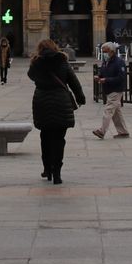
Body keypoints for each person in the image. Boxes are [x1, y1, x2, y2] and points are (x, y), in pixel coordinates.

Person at [28, 38, 86, 184]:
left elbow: (31, 76)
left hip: (42, 102)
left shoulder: (36, 63)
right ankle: (57, 173)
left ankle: (47, 169)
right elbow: (73, 81)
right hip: (61, 102)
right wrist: (80, 97)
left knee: (45, 137)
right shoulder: (62, 61)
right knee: (59, 139)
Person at [92, 41, 129, 139]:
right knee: (116, 113)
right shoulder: (106, 61)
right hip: (108, 89)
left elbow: (121, 77)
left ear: (112, 51)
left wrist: (106, 80)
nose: (104, 53)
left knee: (108, 110)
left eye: (105, 51)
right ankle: (123, 132)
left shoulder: (119, 62)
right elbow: (103, 72)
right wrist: (99, 76)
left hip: (116, 90)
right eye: (103, 51)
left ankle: (101, 131)